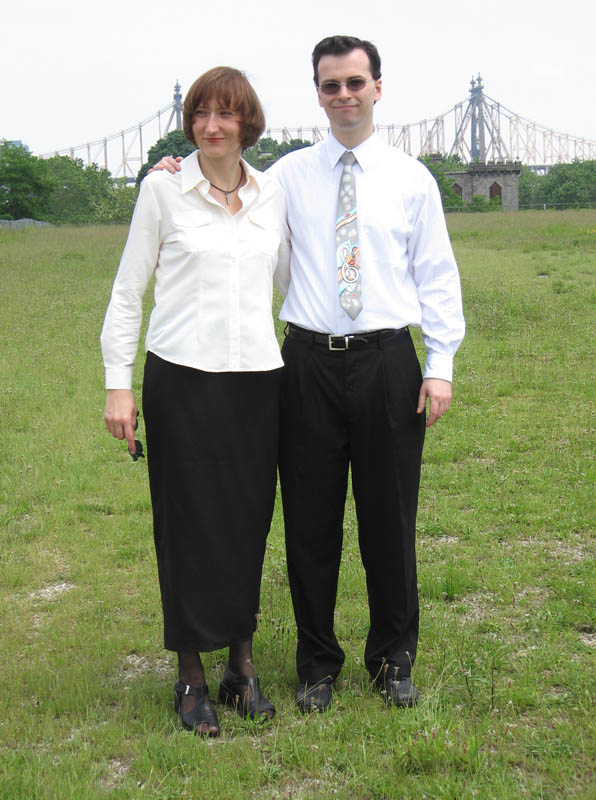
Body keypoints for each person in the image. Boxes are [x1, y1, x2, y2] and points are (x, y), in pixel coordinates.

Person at [152, 35, 465, 713]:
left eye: (355, 83)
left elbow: (437, 277)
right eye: (330, 85)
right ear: (318, 93)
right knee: (310, 525)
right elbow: (223, 183)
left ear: (378, 88)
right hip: (306, 364)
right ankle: (316, 664)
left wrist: (438, 367)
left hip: (387, 361)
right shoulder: (287, 176)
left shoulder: (413, 180)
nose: (344, 96)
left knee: (391, 520)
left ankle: (392, 659)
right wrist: (175, 170)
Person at [101, 66, 290, 737]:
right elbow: (128, 295)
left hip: (258, 381)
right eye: (201, 114)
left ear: (247, 123)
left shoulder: (274, 196)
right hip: (181, 380)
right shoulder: (162, 193)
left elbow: (295, 284)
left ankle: (241, 664)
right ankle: (190, 675)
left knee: (246, 523)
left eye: (226, 114)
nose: (212, 125)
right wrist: (117, 385)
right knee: (185, 528)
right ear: (191, 124)